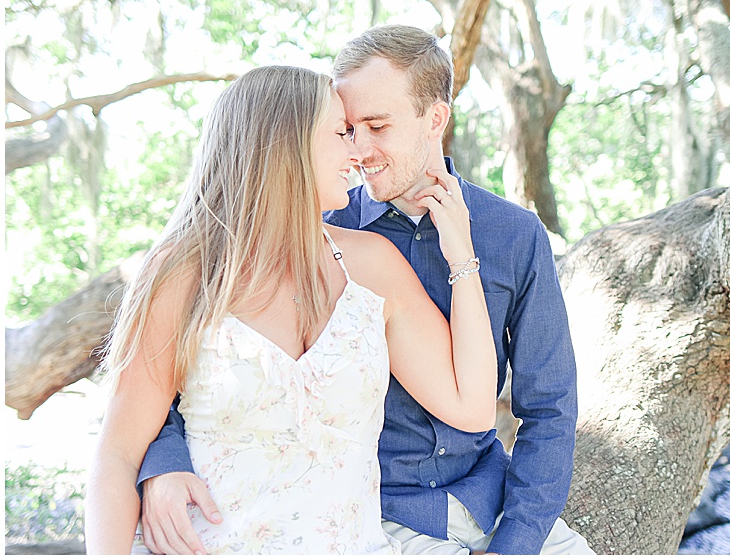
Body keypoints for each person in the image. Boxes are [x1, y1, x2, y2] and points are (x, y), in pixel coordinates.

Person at [138, 26, 594, 555]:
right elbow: (199, 365)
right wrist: (162, 464)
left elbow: (550, 407)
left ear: (436, 119)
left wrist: (519, 539)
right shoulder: (321, 227)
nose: (358, 149)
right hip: (377, 513)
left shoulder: (513, 234)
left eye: (377, 126)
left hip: (487, 495)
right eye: (346, 129)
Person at [84, 65, 500, 554]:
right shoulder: (183, 275)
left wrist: (462, 258)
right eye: (341, 133)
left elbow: (472, 409)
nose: (357, 151)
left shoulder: (372, 266)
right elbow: (116, 457)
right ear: (288, 144)